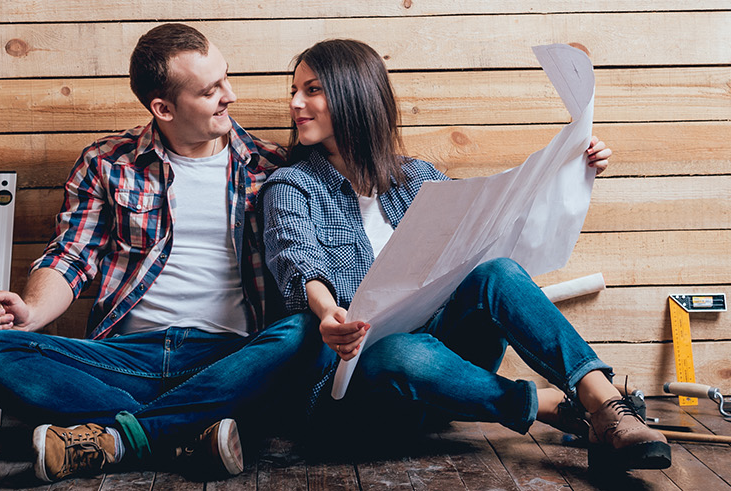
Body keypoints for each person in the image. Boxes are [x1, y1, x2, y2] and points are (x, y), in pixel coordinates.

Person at [261, 39, 671, 471]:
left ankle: (603, 403)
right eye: (294, 91)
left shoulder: (417, 177)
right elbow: (297, 259)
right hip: (357, 395)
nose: (296, 103)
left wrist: (574, 166)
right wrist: (328, 312)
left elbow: (489, 226)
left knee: (497, 271)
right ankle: (547, 405)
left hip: (445, 380)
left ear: (354, 93)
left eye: (312, 89)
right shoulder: (291, 185)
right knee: (401, 350)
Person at [0, 23, 312, 482]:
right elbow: (71, 256)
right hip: (125, 361)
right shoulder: (107, 161)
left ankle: (117, 439)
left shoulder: (273, 167)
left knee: (303, 332)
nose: (230, 95)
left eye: (226, 78)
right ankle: (186, 432)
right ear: (162, 108)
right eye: (211, 91)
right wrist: (30, 312)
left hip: (232, 359)